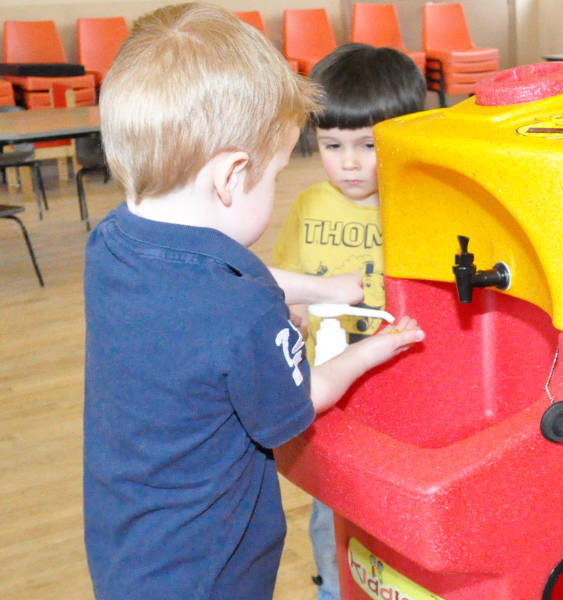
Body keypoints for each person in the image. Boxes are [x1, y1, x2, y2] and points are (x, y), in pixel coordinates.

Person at [82, 5, 424, 600]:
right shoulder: (243, 313)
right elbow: (301, 401)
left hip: (127, 545)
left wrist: (321, 289)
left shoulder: (112, 243)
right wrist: (375, 352)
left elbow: (217, 276)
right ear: (232, 176)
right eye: (271, 178)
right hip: (212, 569)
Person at [271, 43, 426, 600]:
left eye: (368, 145)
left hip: (402, 399)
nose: (351, 162)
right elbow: (285, 287)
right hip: (329, 401)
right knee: (329, 512)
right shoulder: (310, 205)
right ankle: (335, 591)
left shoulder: (421, 208)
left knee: (399, 513)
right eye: (333, 145)